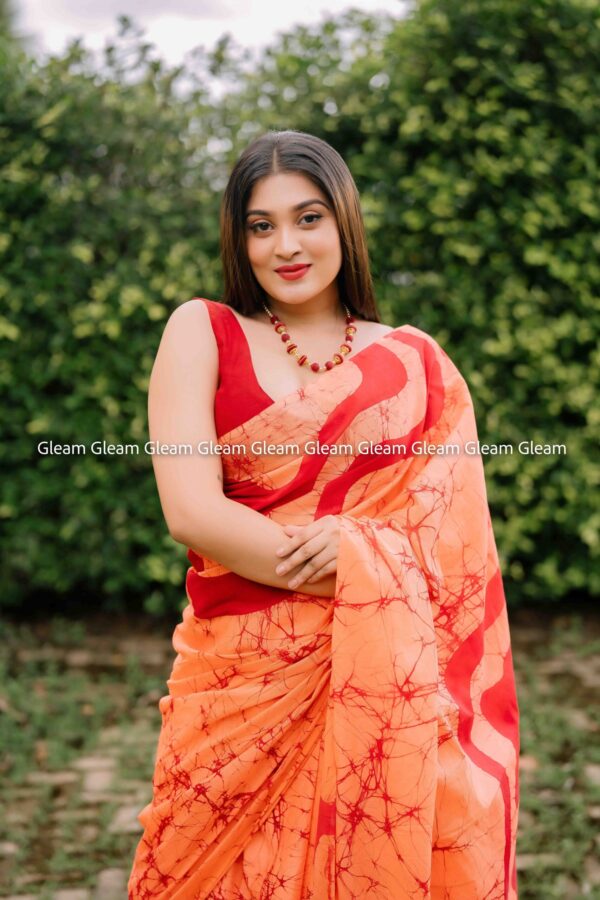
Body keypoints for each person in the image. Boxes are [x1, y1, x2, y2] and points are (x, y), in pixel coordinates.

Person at [128, 129, 520, 899]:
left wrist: (367, 563)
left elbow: (453, 548)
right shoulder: (202, 331)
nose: (286, 245)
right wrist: (356, 571)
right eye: (261, 225)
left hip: (386, 683)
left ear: (344, 221)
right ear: (238, 238)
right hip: (236, 689)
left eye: (308, 218)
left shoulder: (414, 363)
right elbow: (192, 511)